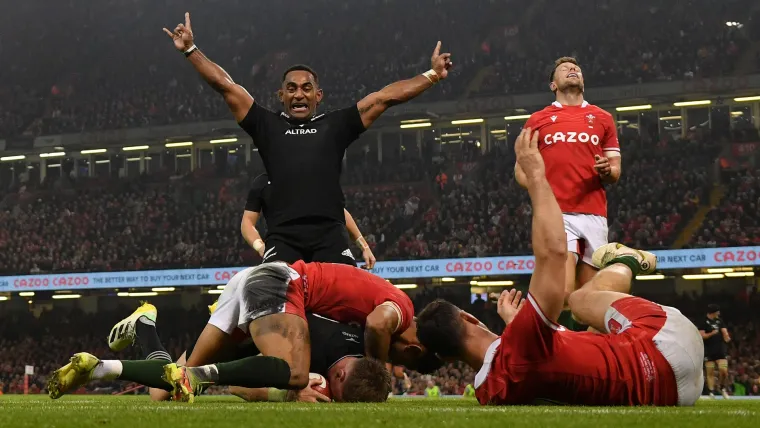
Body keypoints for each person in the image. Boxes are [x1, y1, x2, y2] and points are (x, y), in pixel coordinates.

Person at [417, 128, 704, 406]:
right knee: (578, 300)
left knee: (585, 336)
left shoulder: (490, 393)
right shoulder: (523, 338)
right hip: (667, 343)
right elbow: (553, 253)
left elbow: (525, 360)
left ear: (448, 358)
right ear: (469, 318)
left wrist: (517, 324)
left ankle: (620, 264)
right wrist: (538, 178)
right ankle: (625, 261)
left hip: (674, 395)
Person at [164, 13, 451, 266]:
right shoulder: (267, 124)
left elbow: (384, 98)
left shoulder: (335, 125)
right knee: (270, 313)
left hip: (331, 238)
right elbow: (225, 86)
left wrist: (432, 75)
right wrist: (190, 49)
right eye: (291, 88)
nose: (298, 94)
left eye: (306, 88)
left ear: (318, 95)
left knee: (353, 313)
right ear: (281, 96)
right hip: (282, 241)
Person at [159, 260, 434, 402]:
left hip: (257, 290)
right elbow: (378, 326)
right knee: (295, 375)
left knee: (169, 389)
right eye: (401, 361)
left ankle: (145, 325)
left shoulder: (359, 329)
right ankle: (203, 373)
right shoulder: (391, 314)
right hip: (275, 289)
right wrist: (291, 392)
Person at [49, 311, 390, 403]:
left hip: (254, 320)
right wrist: (288, 394)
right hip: (234, 331)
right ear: (341, 377)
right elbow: (239, 387)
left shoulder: (360, 343)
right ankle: (143, 324)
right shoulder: (309, 351)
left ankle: (115, 354)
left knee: (166, 388)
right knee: (163, 392)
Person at [515, 57, 622, 329]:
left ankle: (586, 355)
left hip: (595, 213)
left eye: (577, 68)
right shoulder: (538, 119)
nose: (573, 69)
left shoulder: (603, 118)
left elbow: (615, 171)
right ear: (553, 84)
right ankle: (549, 349)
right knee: (562, 292)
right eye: (565, 69)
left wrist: (604, 170)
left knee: (588, 299)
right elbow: (520, 170)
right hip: (558, 213)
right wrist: (542, 193)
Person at [241, 173, 376, 268]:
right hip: (284, 244)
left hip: (326, 241)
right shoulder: (263, 182)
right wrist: (260, 246)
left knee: (347, 287)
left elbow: (338, 210)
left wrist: (364, 246)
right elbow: (247, 222)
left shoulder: (316, 175)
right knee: (276, 290)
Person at [700, 304, 731, 399]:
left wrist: (726, 336)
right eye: (717, 311)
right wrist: (712, 333)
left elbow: (724, 331)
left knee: (724, 371)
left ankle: (722, 388)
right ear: (713, 312)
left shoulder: (719, 321)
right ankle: (711, 392)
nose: (719, 313)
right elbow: (702, 335)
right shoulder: (703, 321)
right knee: (710, 372)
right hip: (708, 350)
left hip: (720, 349)